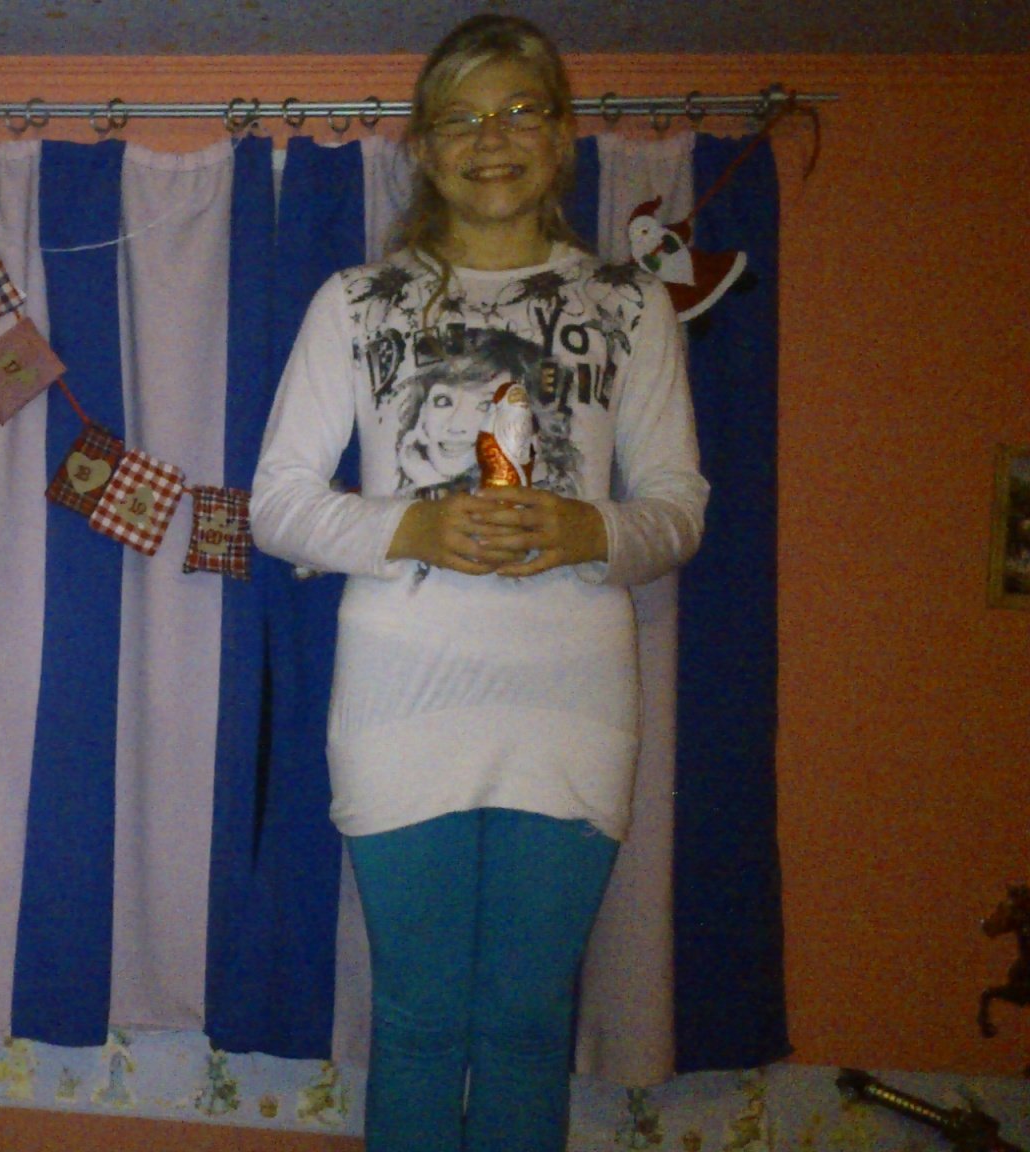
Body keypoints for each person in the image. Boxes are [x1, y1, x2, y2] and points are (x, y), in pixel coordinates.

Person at [249, 14, 709, 1152]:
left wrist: (585, 528)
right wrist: (411, 526)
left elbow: (677, 510)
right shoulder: (355, 303)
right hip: (401, 698)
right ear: (422, 147)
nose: (489, 139)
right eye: (458, 117)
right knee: (414, 1023)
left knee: (525, 1025)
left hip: (570, 701)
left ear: (560, 137)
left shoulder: (629, 305)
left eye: (516, 111)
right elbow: (276, 506)